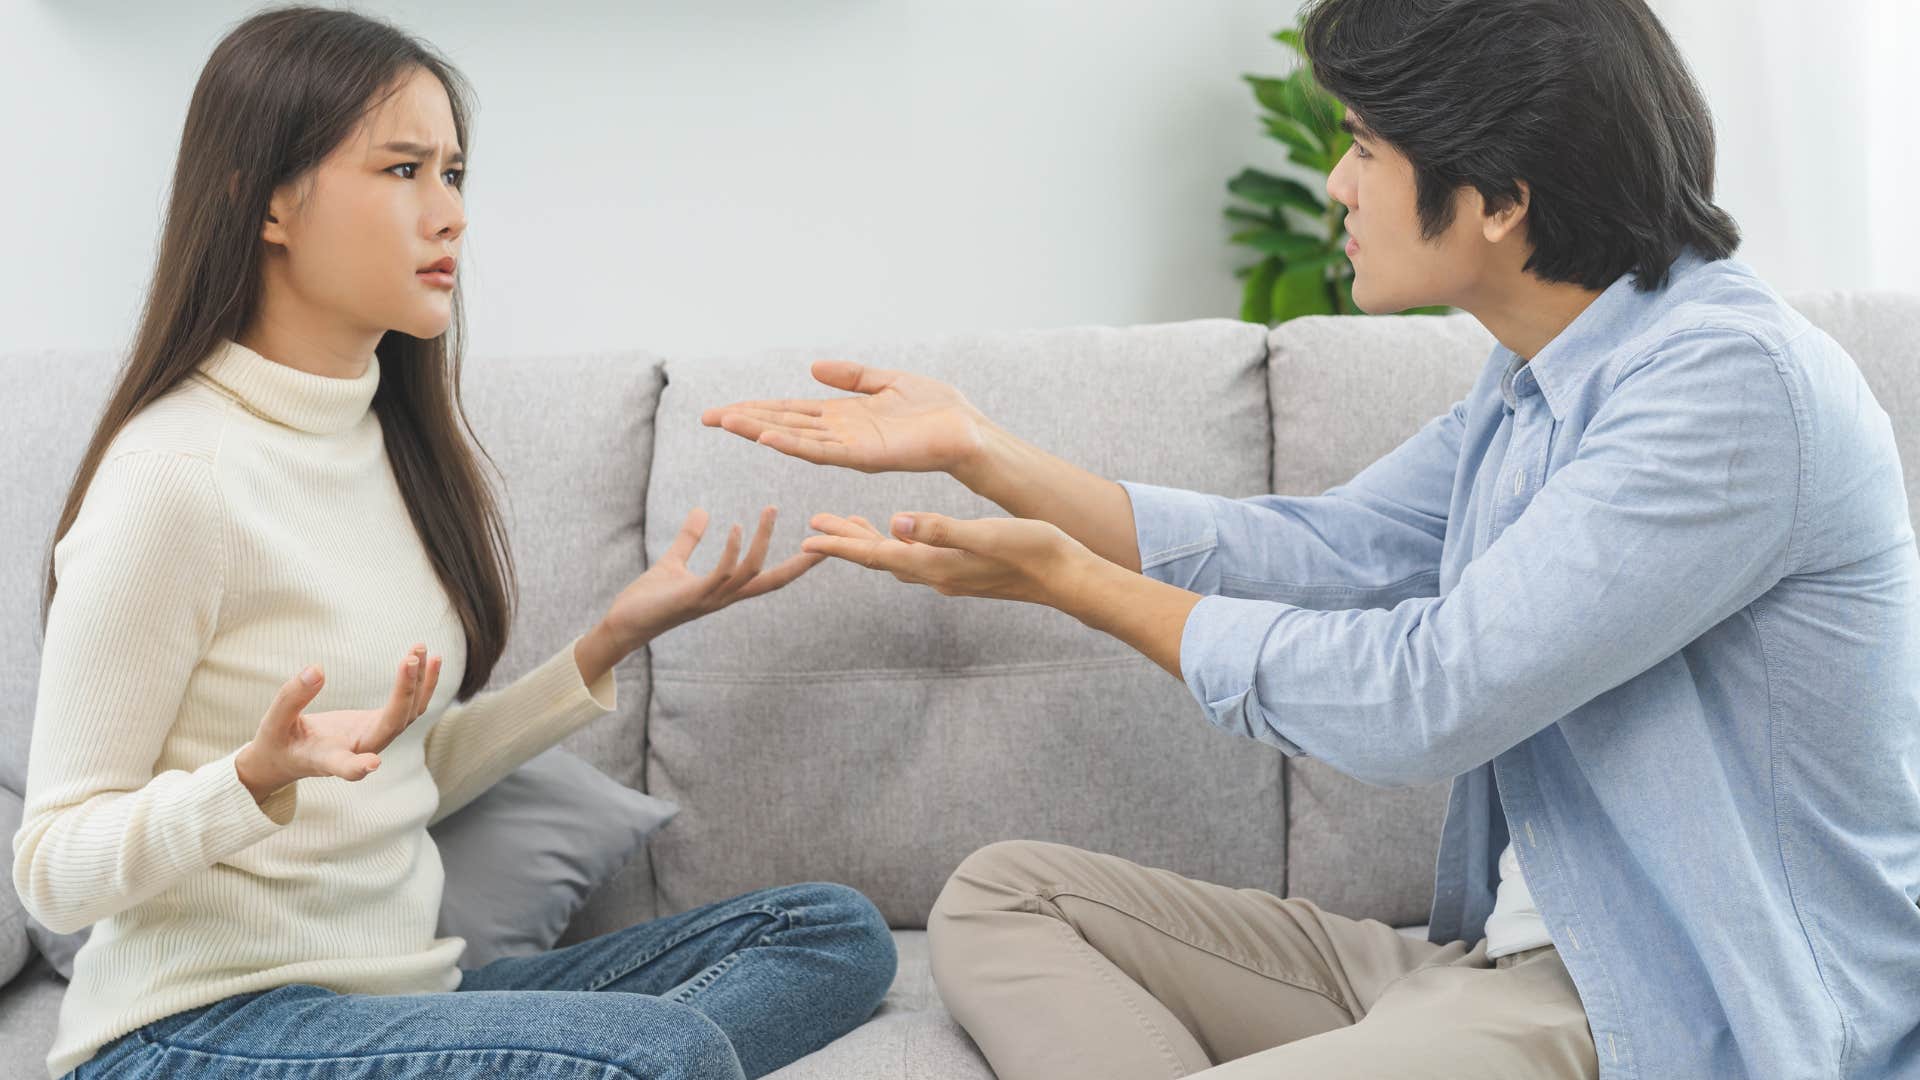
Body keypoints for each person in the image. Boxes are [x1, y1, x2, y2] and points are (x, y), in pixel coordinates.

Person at [699, 0, 1920, 1076]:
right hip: (1492, 964)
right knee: (1007, 898)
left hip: (1660, 1003)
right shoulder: (1540, 377)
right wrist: (984, 452)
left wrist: (1075, 585)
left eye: (1367, 148)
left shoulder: (1726, 391)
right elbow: (1325, 551)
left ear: (1501, 197)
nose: (1337, 182)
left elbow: (1431, 695)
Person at [13, 8, 894, 1079]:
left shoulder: (390, 446)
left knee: (829, 933)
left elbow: (407, 769)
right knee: (662, 1053)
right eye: (402, 171)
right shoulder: (175, 476)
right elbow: (53, 869)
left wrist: (604, 648)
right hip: (194, 1029)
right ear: (266, 200)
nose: (451, 216)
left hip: (401, 998)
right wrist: (246, 781)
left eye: (455, 173)